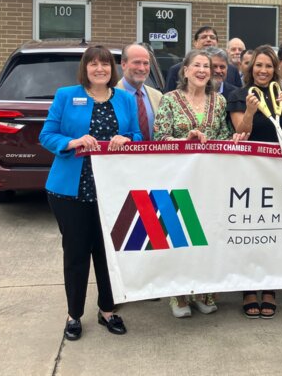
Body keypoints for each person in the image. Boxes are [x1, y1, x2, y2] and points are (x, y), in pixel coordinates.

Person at [39, 45, 142, 341]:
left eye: (105, 64)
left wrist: (128, 139)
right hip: (71, 189)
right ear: (85, 68)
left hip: (113, 190)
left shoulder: (123, 98)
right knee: (76, 253)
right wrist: (72, 142)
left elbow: (137, 134)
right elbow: (47, 135)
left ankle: (108, 310)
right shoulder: (67, 95)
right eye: (94, 64)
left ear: (113, 69)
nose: (100, 69)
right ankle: (74, 314)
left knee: (108, 253)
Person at [153, 49, 239, 318]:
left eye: (207, 66)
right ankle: (178, 294)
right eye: (197, 65)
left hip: (210, 179)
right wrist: (183, 140)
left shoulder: (220, 101)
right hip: (177, 178)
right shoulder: (169, 100)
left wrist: (233, 142)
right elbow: (158, 139)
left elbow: (224, 137)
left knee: (208, 234)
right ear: (186, 70)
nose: (203, 70)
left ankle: (204, 290)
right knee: (180, 234)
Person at [228, 44, 282, 318]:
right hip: (247, 173)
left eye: (268, 66)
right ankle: (248, 288)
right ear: (251, 68)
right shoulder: (238, 95)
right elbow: (240, 132)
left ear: (276, 69)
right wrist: (249, 111)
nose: (263, 70)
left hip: (277, 173)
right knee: (250, 230)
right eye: (258, 65)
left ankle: (270, 288)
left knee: (274, 231)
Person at [165, 27, 241, 91]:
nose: (209, 40)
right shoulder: (177, 69)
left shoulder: (232, 70)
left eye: (212, 37)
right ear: (195, 42)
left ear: (217, 42)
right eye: (203, 37)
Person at [116, 43, 163, 141]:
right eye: (136, 62)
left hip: (153, 155)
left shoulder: (158, 97)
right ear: (123, 64)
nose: (142, 68)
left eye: (146, 63)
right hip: (121, 155)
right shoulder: (110, 94)